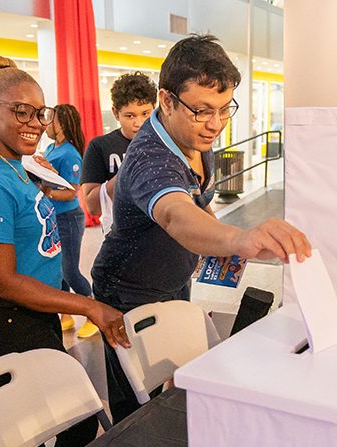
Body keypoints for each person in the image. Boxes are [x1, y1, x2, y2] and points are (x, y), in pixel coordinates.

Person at [91, 34, 311, 424]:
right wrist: (240, 238)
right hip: (128, 288)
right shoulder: (148, 158)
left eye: (225, 110)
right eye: (203, 110)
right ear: (166, 100)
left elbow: (199, 206)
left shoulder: (195, 135)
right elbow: (176, 214)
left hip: (174, 277)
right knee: (135, 406)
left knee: (176, 375)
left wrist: (227, 245)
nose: (215, 125)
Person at [0, 55, 130, 447]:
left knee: (70, 421)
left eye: (39, 112)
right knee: (30, 439)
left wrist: (35, 176)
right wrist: (88, 304)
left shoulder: (15, 163)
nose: (34, 122)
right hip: (7, 322)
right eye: (20, 111)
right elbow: (3, 280)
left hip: (34, 315)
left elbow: (46, 206)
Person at [43, 104, 98, 338]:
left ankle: (93, 312)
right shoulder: (49, 148)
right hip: (53, 217)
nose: (44, 123)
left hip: (68, 218)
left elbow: (71, 191)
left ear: (61, 124)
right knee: (57, 270)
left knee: (70, 270)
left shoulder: (70, 154)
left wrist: (46, 191)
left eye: (48, 119)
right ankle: (65, 316)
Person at [81, 72, 157, 233]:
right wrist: (130, 168)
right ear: (116, 113)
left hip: (162, 235)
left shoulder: (165, 143)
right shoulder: (99, 146)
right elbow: (92, 206)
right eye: (130, 116)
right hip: (122, 238)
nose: (139, 123)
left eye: (145, 113)